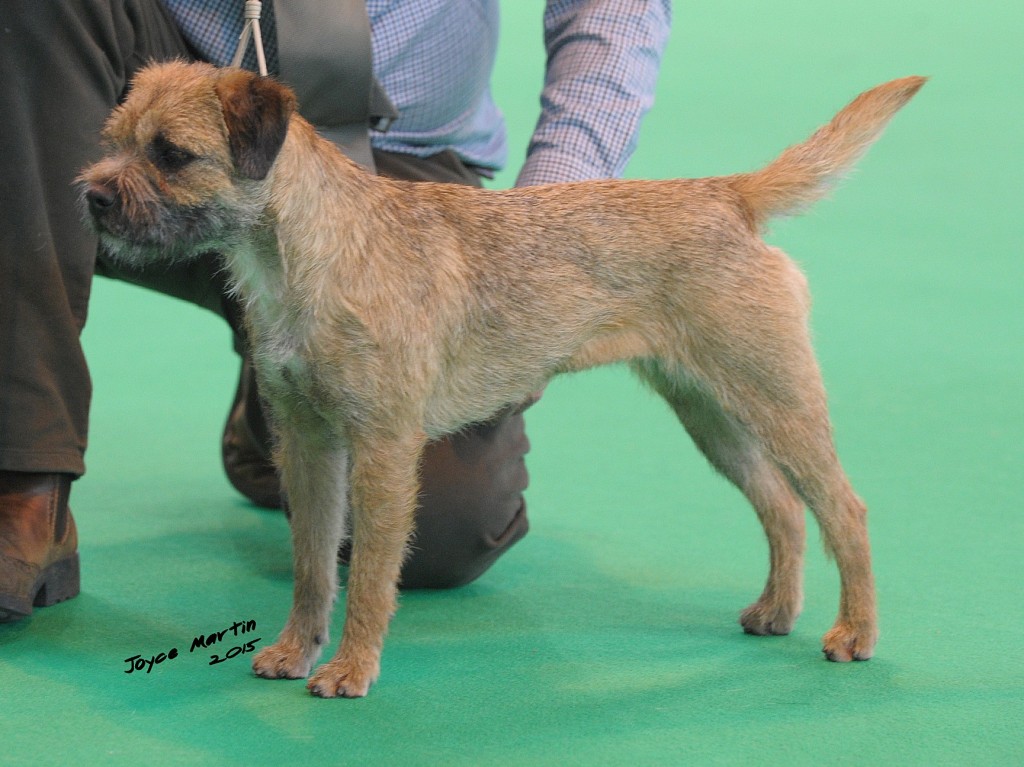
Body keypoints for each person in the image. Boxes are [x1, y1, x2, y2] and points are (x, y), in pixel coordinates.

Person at [0, 0, 671, 622]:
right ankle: (26, 481)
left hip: (402, 161)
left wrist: (540, 233)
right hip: (166, 104)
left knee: (441, 527)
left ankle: (284, 390)